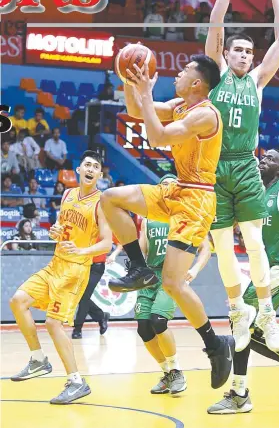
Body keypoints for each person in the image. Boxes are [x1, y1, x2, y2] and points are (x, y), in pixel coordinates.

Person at [100, 54, 236, 391]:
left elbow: (158, 138)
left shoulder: (205, 115)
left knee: (174, 283)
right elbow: (135, 111)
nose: (177, 73)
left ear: (196, 83)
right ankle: (139, 267)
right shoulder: (180, 104)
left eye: (184, 71)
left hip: (197, 199)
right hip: (176, 188)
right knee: (110, 197)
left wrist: (146, 95)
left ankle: (215, 345)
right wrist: (133, 83)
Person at [205, 0, 279, 352]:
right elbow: (216, 24)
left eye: (249, 52)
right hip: (213, 168)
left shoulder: (256, 82)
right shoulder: (217, 74)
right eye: (238, 50)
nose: (244, 55)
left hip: (244, 166)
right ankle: (237, 309)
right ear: (226, 54)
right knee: (224, 244)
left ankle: (268, 313)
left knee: (253, 243)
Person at [206, 150, 279, 413]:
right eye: (263, 157)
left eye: (270, 159)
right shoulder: (251, 190)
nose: (262, 160)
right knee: (248, 331)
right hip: (261, 270)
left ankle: (239, 394)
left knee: (241, 323)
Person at [9, 150, 112, 404]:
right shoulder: (67, 194)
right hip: (55, 264)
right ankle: (38, 359)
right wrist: (55, 231)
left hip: (75, 270)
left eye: (95, 166)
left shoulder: (102, 203)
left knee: (54, 324)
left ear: (99, 174)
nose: (90, 168)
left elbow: (107, 243)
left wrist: (83, 250)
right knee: (18, 301)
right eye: (86, 164)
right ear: (79, 169)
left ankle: (76, 381)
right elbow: (60, 227)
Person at [135, 174, 210, 395]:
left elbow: (205, 248)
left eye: (171, 185)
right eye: (163, 185)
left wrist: (194, 269)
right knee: (144, 328)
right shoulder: (148, 218)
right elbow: (142, 249)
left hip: (171, 277)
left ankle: (176, 370)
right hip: (150, 276)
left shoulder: (187, 216)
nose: (167, 188)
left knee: (158, 321)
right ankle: (167, 372)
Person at [72, 245, 110, 340]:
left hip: (96, 267)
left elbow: (118, 242)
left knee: (83, 296)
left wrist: (114, 254)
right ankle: (101, 316)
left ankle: (78, 328)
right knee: (79, 296)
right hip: (80, 265)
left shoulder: (104, 230)